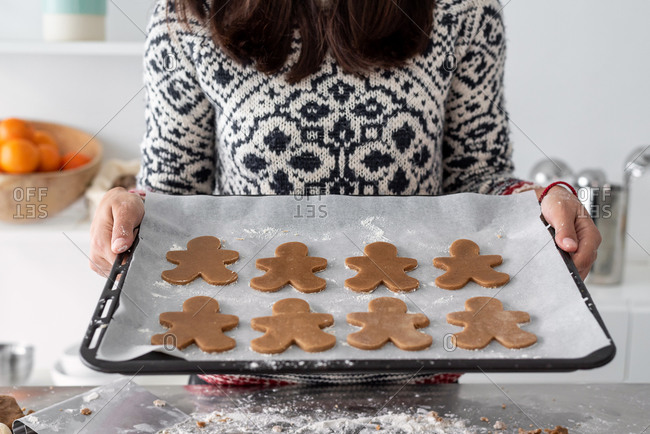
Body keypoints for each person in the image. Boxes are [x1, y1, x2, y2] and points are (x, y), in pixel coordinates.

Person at [89, 0, 601, 386]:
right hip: (239, 380)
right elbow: (173, 190)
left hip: (420, 373)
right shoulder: (190, 13)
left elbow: (480, 179)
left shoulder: (463, 9)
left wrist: (541, 203)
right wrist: (130, 207)